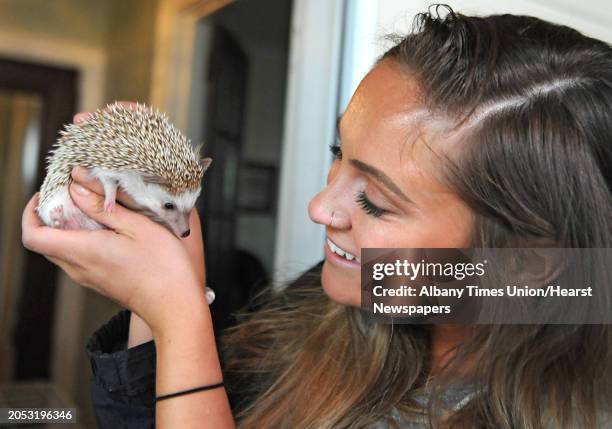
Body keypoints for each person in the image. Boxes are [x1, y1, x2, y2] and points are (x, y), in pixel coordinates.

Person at [21, 5, 612, 428]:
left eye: (377, 201)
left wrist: (179, 316)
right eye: (338, 155)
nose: (319, 207)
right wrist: (166, 279)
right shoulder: (332, 299)